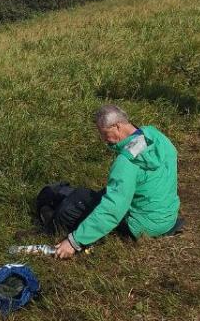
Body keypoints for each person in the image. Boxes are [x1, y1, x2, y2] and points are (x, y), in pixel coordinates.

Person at [54, 105, 182, 259]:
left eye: (104, 133)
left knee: (77, 204)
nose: (103, 139)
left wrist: (74, 242)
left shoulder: (126, 162)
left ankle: (64, 226)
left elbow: (113, 208)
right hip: (167, 216)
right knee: (104, 194)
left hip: (143, 225)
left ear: (117, 126)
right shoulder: (155, 136)